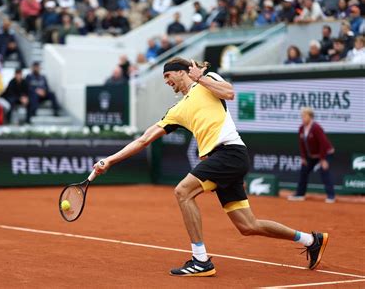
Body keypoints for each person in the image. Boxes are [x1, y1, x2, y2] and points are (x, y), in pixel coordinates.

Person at [92, 57, 328, 276]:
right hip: (220, 161)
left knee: (182, 191)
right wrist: (110, 160)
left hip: (230, 153)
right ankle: (310, 240)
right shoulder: (177, 110)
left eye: (168, 76)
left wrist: (200, 78)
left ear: (181, 72)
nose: (166, 82)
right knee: (248, 225)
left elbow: (230, 93)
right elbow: (144, 139)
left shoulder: (208, 80)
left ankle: (201, 260)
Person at [289, 107, 335, 203]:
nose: (302, 118)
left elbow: (323, 144)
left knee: (324, 171)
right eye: (302, 116)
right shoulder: (301, 128)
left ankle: (331, 196)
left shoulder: (317, 128)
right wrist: (303, 158)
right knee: (303, 171)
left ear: (310, 116)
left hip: (325, 153)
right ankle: (300, 194)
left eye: (304, 116)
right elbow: (301, 145)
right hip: (312, 156)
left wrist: (323, 160)